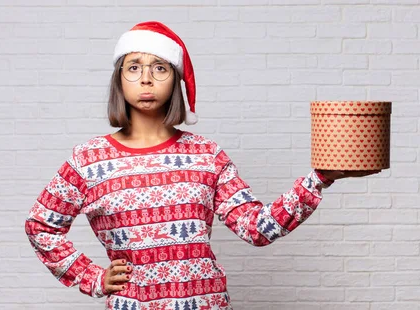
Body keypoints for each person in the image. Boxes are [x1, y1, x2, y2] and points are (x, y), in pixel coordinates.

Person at [24, 21, 380, 310]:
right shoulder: (88, 159)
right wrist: (92, 277)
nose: (146, 78)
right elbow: (40, 225)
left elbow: (258, 229)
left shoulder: (207, 155)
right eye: (134, 67)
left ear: (175, 80)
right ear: (120, 79)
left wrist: (319, 178)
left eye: (158, 68)